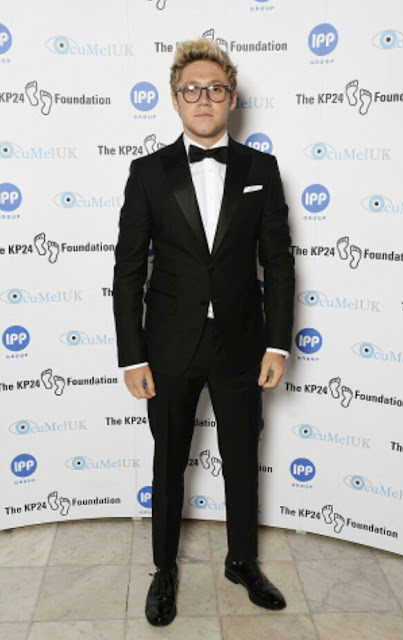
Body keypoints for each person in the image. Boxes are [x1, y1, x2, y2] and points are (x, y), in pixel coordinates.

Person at [112, 37, 295, 626]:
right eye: (191, 90)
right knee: (169, 465)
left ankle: (242, 562)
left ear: (232, 98)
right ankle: (164, 571)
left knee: (242, 459)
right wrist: (131, 356)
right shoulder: (147, 172)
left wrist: (277, 342)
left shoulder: (261, 169)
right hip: (169, 346)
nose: (204, 99)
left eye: (215, 88)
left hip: (243, 344)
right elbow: (128, 268)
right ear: (175, 100)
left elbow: (278, 262)